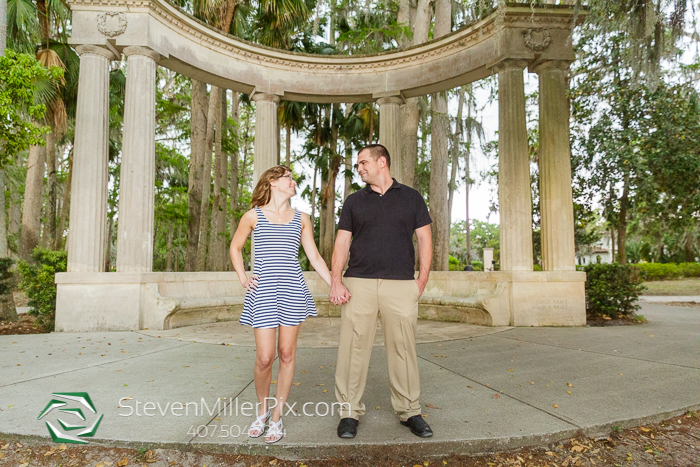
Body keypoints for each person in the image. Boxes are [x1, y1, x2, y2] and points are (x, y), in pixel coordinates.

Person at [329, 144, 434, 439]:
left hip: (401, 285)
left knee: (403, 349)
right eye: (358, 164)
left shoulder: (412, 197)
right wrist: (336, 280)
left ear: (382, 162)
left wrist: (421, 281)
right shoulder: (353, 201)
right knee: (352, 349)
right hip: (358, 284)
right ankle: (349, 412)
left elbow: (425, 239)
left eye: (363, 163)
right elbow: (342, 243)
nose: (359, 168)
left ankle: (409, 410)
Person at [229, 165, 333, 444]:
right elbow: (235, 247)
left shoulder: (302, 218)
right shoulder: (252, 216)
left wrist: (335, 283)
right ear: (273, 182)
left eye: (293, 178)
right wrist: (243, 276)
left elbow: (315, 258)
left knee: (287, 353)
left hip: (292, 290)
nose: (293, 181)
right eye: (288, 177)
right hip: (263, 292)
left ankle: (276, 417)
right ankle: (261, 411)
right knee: (265, 358)